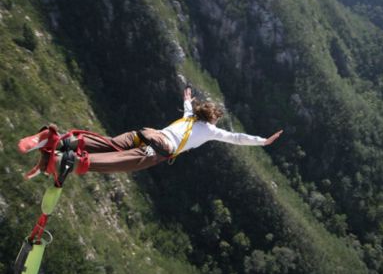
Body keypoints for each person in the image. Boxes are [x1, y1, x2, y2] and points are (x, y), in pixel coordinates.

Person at [22, 85, 283, 185]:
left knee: (110, 145)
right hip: (158, 149)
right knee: (117, 162)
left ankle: (59, 140)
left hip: (147, 133)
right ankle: (61, 161)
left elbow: (188, 106)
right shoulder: (211, 130)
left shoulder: (190, 116)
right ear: (212, 118)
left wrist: (188, 98)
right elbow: (236, 138)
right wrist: (263, 141)